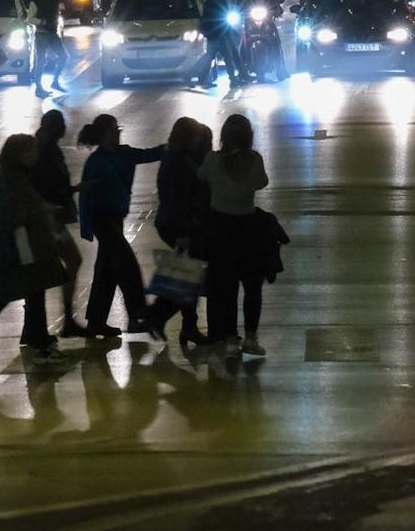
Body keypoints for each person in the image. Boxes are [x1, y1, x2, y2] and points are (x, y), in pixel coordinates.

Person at [0, 133, 69, 369]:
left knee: (10, 297)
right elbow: (16, 220)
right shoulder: (15, 182)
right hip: (19, 252)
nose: (34, 155)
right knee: (30, 293)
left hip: (16, 251)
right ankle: (41, 348)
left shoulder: (16, 178)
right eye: (30, 151)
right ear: (19, 155)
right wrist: (28, 256)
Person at [77, 115, 165, 336]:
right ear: (102, 135)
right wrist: (87, 226)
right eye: (113, 131)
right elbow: (87, 197)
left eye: (118, 130)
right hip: (102, 220)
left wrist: (170, 147)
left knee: (108, 270)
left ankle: (96, 321)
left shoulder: (124, 154)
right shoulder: (96, 162)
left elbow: (151, 154)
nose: (117, 134)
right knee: (128, 266)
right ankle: (137, 316)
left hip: (115, 219)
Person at [199, 114, 272, 358]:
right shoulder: (255, 160)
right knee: (252, 286)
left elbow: (201, 178)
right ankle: (250, 337)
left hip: (220, 228)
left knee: (226, 287)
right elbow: (262, 182)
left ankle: (230, 339)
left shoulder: (212, 160)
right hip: (248, 228)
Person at [145, 117, 213, 348]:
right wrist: (184, 231)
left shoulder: (174, 158)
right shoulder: (179, 164)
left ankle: (175, 321)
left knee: (187, 274)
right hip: (180, 226)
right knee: (190, 276)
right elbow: (179, 201)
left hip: (173, 223)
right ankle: (162, 316)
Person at [31, 110, 88, 337]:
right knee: (63, 264)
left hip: (51, 218)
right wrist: (71, 190)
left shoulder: (46, 148)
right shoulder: (44, 152)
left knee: (59, 266)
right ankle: (56, 322)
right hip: (48, 219)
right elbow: (48, 187)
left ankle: (42, 325)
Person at [32, 0, 66, 95]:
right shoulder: (36, 1)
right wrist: (41, 22)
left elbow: (57, 13)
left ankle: (55, 82)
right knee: (41, 60)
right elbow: (29, 18)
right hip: (42, 33)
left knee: (63, 56)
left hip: (52, 33)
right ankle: (38, 87)